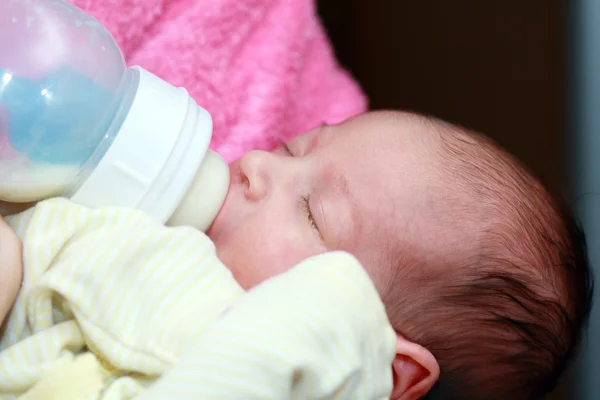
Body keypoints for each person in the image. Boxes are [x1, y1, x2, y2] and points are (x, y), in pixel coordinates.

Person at [0, 110, 593, 400]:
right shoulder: (170, 246)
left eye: (312, 211)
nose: (259, 165)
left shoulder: (267, 365)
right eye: (293, 147)